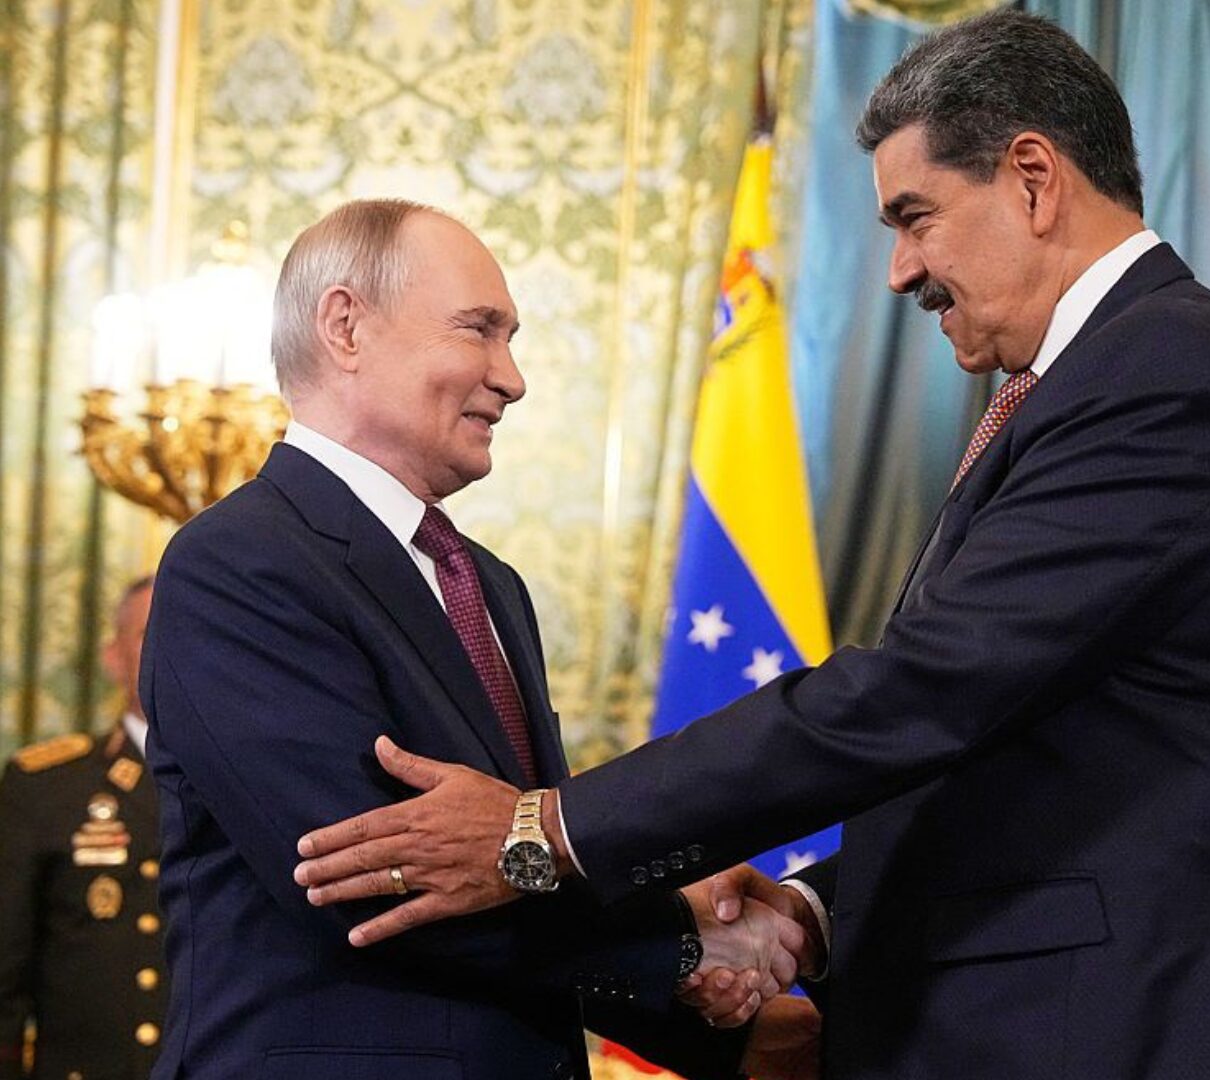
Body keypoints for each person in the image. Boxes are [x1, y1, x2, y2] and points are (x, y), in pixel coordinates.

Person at [296, 12, 1210, 1078]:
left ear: (1033, 179)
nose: (900, 272)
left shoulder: (1162, 370)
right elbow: (1036, 757)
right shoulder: (1100, 377)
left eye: (916, 218)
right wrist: (810, 912)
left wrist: (552, 831)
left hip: (1125, 1027)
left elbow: (931, 691)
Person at [140, 198, 813, 1080]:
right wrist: (682, 942)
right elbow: (377, 886)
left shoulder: (488, 583)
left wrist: (715, 1026)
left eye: (512, 338)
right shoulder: (240, 562)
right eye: (479, 330)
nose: (512, 378)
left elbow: (511, 864)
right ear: (346, 327)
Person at [0, 578, 167, 1079]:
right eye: (151, 632)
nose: (173, 646)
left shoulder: (254, 780)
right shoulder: (47, 786)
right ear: (114, 658)